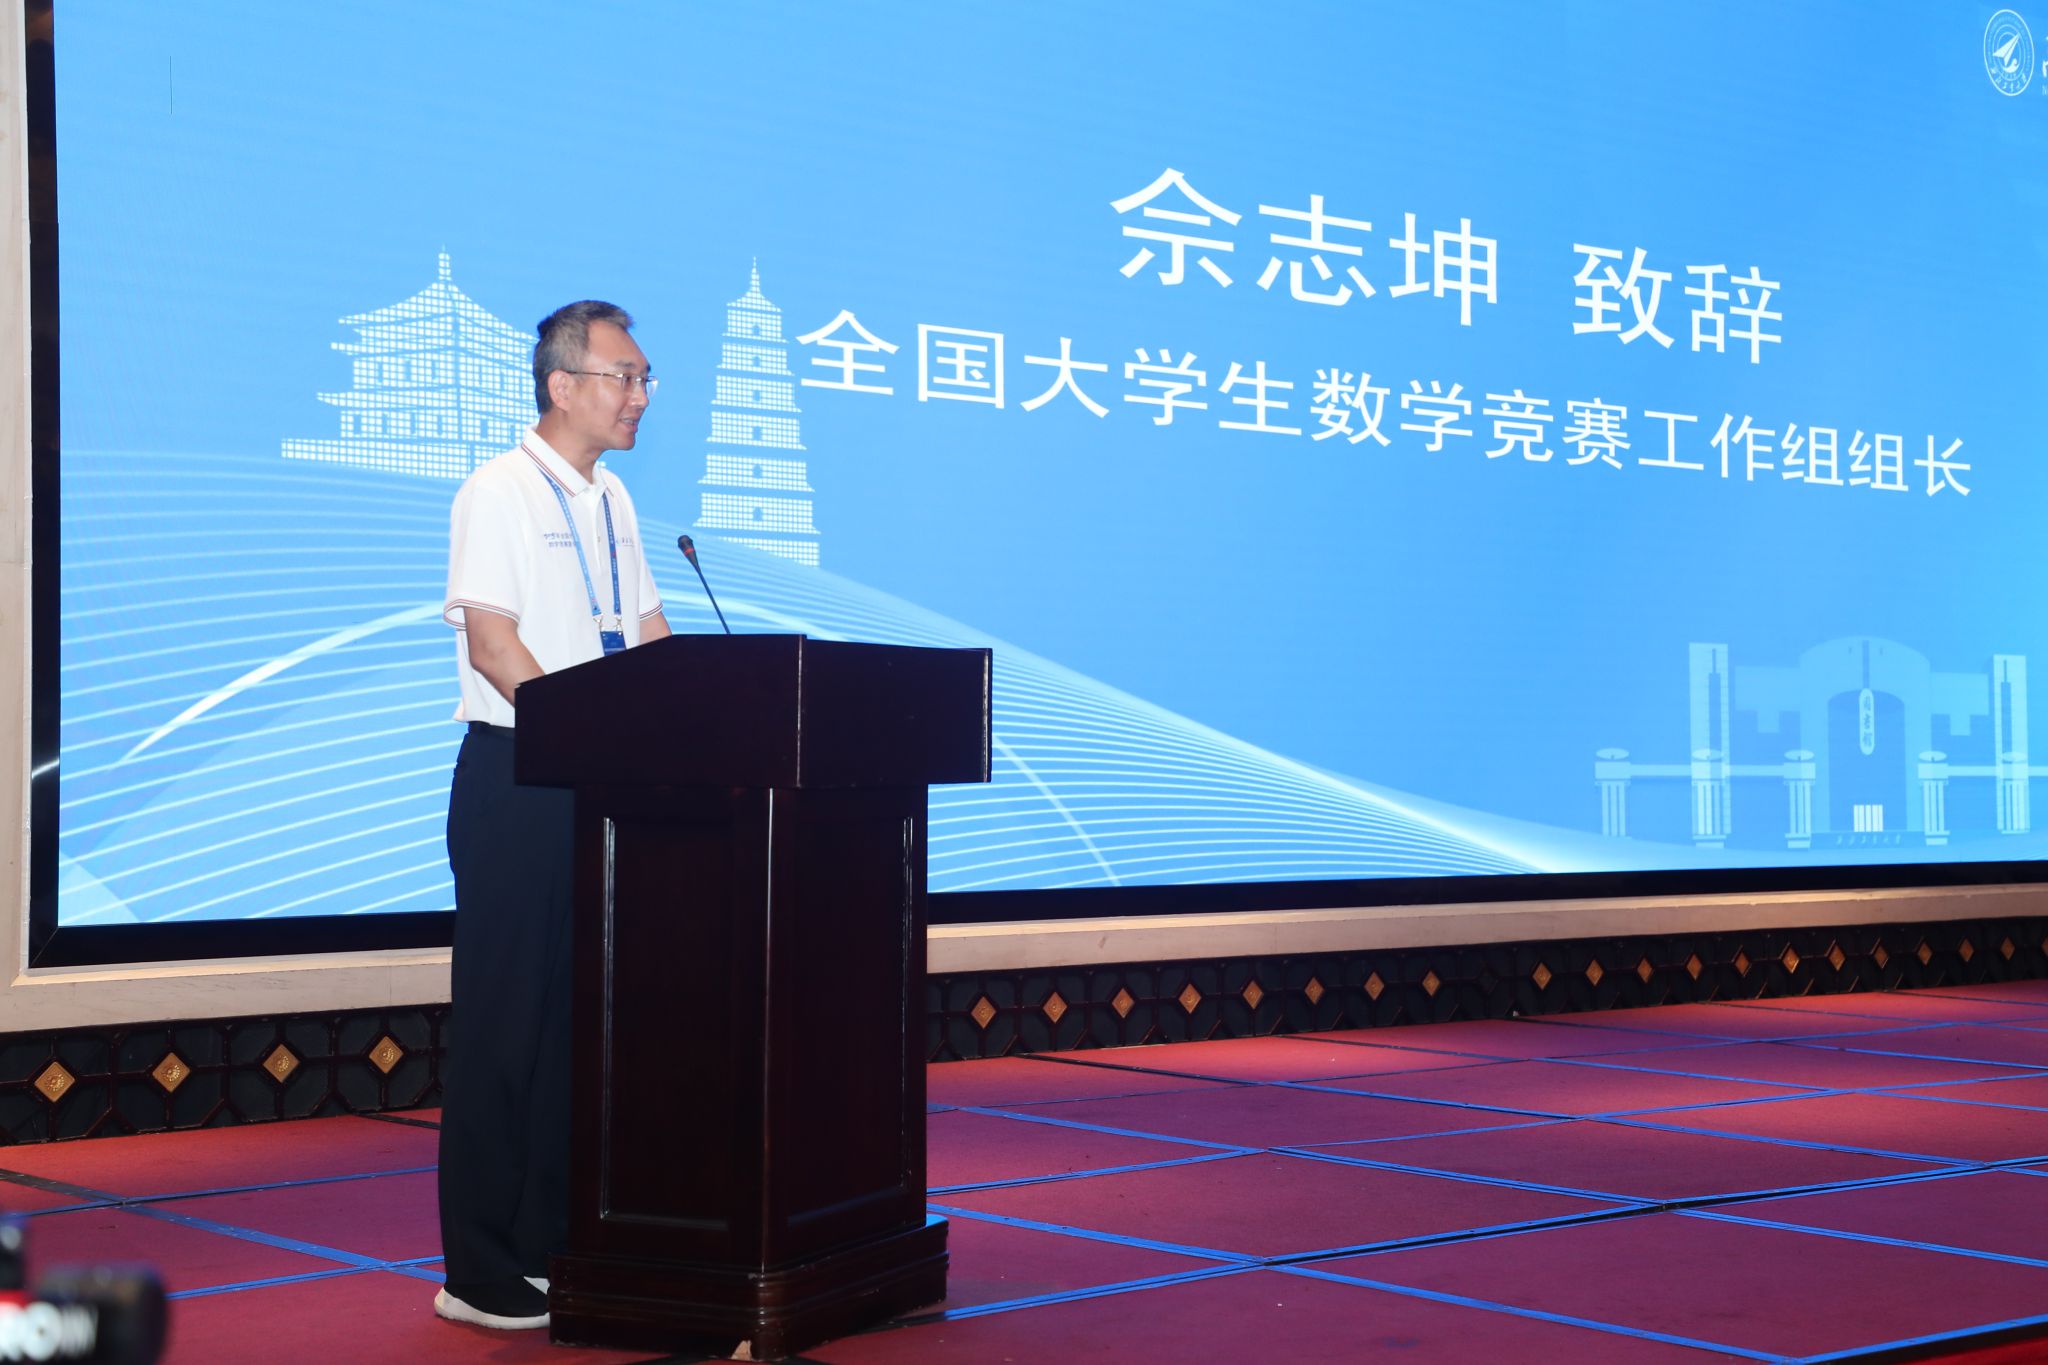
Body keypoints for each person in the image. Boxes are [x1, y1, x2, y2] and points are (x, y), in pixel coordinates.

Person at [434, 300, 670, 1330]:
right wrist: (585, 738)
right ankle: (476, 1268)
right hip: (521, 778)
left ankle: (547, 1240)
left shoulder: (612, 497)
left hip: (600, 784)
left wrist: (710, 718)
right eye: (624, 376)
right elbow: (494, 645)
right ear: (561, 384)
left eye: (645, 377)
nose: (640, 395)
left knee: (577, 1028)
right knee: (505, 1025)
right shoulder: (497, 489)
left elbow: (647, 633)